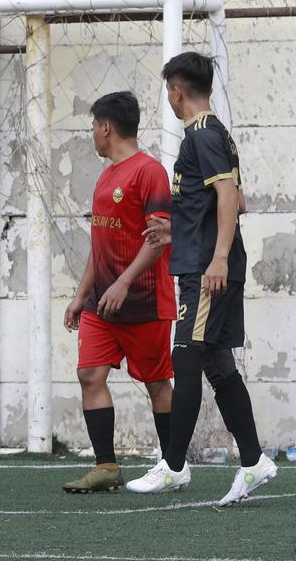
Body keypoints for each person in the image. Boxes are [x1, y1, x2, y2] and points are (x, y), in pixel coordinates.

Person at [126, 51, 278, 505]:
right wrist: (181, 227)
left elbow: (230, 196)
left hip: (207, 271)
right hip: (205, 262)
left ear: (176, 89)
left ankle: (173, 466)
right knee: (217, 365)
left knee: (187, 356)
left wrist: (217, 257)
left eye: (168, 90)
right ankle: (253, 463)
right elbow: (233, 200)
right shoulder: (214, 135)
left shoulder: (202, 135)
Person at [61, 91, 175, 494]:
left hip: (143, 301)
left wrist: (124, 282)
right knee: (89, 374)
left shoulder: (150, 172)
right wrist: (81, 294)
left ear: (106, 127)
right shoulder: (106, 175)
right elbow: (102, 242)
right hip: (101, 305)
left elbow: (159, 238)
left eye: (93, 126)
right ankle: (106, 466)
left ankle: (172, 465)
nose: (93, 134)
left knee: (157, 384)